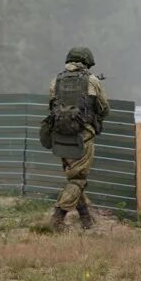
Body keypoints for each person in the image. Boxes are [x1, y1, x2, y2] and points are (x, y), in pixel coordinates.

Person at [44, 46, 109, 231]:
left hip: (60, 137)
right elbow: (104, 109)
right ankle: (57, 219)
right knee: (78, 180)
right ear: (87, 62)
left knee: (74, 177)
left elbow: (52, 106)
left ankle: (87, 221)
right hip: (83, 137)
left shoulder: (55, 80)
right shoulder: (92, 80)